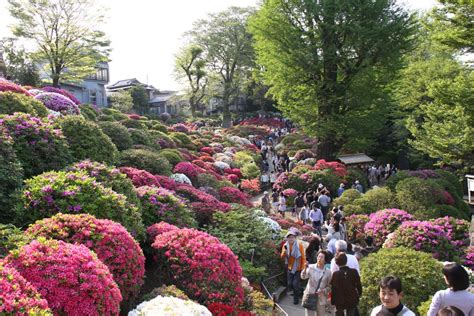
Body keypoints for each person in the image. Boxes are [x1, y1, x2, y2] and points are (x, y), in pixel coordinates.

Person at [301, 250, 332, 316]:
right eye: (318, 256)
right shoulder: (310, 267)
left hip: (321, 297)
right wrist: (305, 269)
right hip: (310, 295)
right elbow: (303, 277)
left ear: (325, 260)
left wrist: (323, 290)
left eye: (321, 257)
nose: (319, 258)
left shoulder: (328, 272)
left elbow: (330, 287)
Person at [281, 232, 306, 305]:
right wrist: (285, 253)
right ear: (287, 238)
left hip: (298, 268)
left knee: (295, 284)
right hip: (289, 267)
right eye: (289, 237)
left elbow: (303, 257)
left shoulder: (299, 245)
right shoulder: (285, 246)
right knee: (290, 284)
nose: (291, 239)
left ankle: (296, 298)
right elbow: (282, 256)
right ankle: (300, 290)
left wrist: (303, 268)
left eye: (292, 237)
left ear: (295, 238)